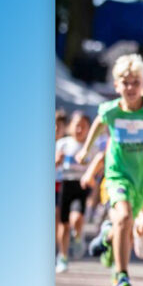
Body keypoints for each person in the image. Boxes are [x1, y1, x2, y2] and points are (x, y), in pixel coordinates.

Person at [75, 54, 143, 286]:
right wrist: (86, 149)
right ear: (116, 85)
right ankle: (121, 276)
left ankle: (107, 235)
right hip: (117, 175)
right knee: (124, 216)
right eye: (125, 83)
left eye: (136, 83)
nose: (131, 88)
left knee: (129, 226)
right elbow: (99, 121)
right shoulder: (110, 110)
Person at [55, 111, 94, 272]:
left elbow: (96, 168)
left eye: (83, 126)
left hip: (81, 186)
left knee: (76, 218)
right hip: (64, 184)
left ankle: (77, 236)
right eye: (77, 125)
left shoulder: (91, 146)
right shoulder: (62, 144)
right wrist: (57, 161)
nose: (79, 130)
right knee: (63, 224)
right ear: (70, 126)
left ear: (89, 129)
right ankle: (63, 256)